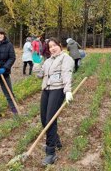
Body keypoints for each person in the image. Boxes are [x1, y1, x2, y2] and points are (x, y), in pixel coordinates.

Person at [37, 37, 74, 166]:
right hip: (46, 89)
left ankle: (51, 152)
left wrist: (68, 90)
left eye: (54, 45)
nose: (52, 48)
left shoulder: (66, 58)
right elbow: (40, 74)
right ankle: (56, 142)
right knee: (44, 119)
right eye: (50, 47)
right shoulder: (48, 61)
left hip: (58, 90)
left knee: (50, 120)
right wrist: (37, 62)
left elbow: (66, 73)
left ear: (60, 45)